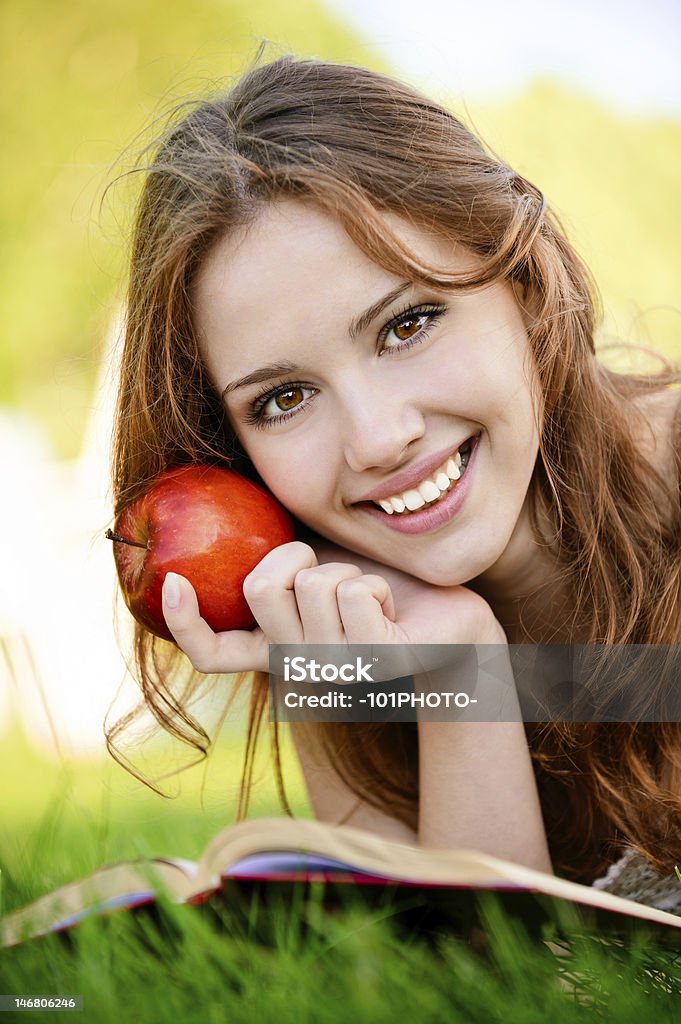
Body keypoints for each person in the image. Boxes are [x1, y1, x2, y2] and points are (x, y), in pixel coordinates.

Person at [107, 54, 681, 900]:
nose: (379, 439)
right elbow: (472, 981)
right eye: (284, 398)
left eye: (407, 325)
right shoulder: (333, 626)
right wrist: (457, 674)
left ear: (520, 280)